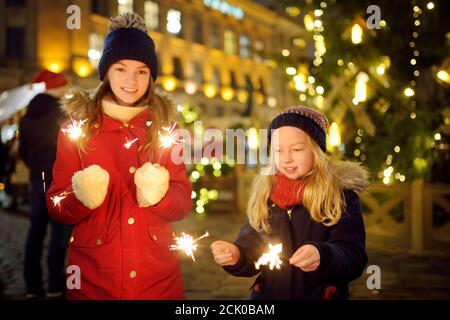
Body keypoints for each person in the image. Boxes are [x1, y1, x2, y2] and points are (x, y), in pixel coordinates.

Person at [46, 13, 192, 300]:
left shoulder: (167, 130)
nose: (131, 80)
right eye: (121, 68)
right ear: (106, 73)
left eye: (141, 71)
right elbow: (56, 204)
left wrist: (161, 195)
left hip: (158, 280)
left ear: (151, 77)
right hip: (94, 279)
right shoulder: (75, 130)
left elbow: (183, 202)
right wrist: (80, 197)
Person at [211, 106, 369, 300]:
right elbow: (252, 247)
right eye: (278, 150)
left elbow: (354, 257)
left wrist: (324, 256)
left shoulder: (339, 197)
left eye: (296, 149)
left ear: (316, 150)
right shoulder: (265, 194)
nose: (286, 158)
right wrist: (237, 256)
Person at [19, 69, 69, 299]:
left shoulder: (27, 117)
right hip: (58, 180)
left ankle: (31, 285)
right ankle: (55, 286)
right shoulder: (61, 112)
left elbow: (23, 153)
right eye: (64, 86)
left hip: (35, 181)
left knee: (35, 232)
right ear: (57, 87)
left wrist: (35, 169)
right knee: (59, 233)